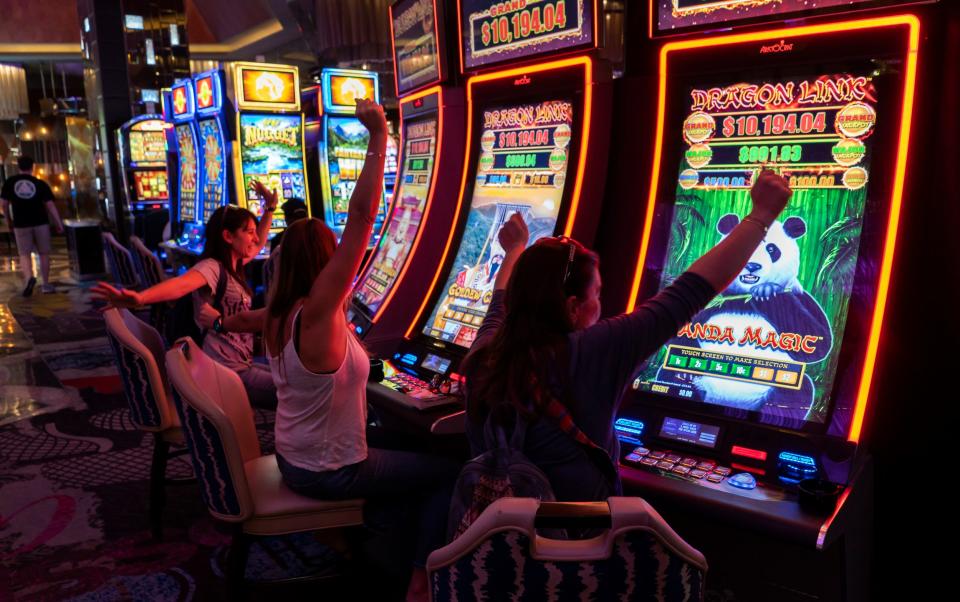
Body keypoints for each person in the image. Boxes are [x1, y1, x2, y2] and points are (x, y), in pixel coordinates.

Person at [462, 170, 793, 503]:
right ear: (573, 307)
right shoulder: (588, 353)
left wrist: (514, 250)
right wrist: (761, 216)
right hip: (568, 543)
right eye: (597, 293)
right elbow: (687, 294)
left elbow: (499, 304)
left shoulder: (484, 354)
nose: (600, 305)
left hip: (487, 541)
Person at [263, 98, 458, 602]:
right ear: (325, 265)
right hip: (329, 470)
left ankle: (376, 540)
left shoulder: (279, 314)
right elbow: (361, 221)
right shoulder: (317, 314)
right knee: (453, 470)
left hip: (294, 458)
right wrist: (378, 138)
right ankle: (419, 580)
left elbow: (240, 319)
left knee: (409, 448)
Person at [92, 186, 280, 409]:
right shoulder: (212, 267)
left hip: (239, 363)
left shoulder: (233, 264)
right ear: (228, 236)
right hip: (224, 371)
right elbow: (180, 285)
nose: (256, 237)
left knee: (290, 383)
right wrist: (140, 298)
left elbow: (258, 245)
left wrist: (269, 209)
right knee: (296, 394)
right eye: (249, 231)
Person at [0, 156, 64, 296]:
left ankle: (29, 278)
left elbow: (3, 204)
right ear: (32, 167)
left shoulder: (10, 183)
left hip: (20, 223)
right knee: (44, 253)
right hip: (41, 222)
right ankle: (46, 285)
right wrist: (59, 223)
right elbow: (50, 205)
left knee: (24, 254)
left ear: (18, 167)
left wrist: (8, 219)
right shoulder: (40, 183)